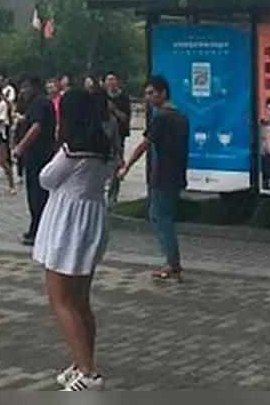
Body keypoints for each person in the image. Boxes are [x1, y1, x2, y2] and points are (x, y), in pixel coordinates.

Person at [32, 88, 113, 392]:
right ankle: (83, 362)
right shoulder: (104, 149)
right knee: (80, 300)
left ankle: (88, 373)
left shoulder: (71, 151)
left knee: (61, 300)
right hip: (91, 221)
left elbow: (46, 178)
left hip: (68, 224)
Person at [116, 75, 190, 282]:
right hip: (177, 174)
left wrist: (127, 167)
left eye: (151, 93)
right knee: (160, 215)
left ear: (162, 92)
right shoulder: (181, 116)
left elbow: (144, 144)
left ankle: (172, 264)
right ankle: (172, 261)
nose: (147, 98)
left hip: (164, 175)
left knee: (162, 219)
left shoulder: (163, 117)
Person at [12, 76, 58, 246]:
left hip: (39, 155)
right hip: (37, 155)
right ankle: (36, 227)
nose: (22, 91)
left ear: (34, 87)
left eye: (25, 87)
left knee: (37, 194)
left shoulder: (39, 103)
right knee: (35, 193)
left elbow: (36, 127)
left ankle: (39, 228)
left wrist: (20, 147)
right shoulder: (37, 104)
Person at [103, 72, 132, 207]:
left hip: (119, 135)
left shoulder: (123, 98)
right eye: (109, 80)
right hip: (103, 136)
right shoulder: (102, 97)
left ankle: (113, 196)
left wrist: (113, 109)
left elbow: (125, 118)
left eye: (114, 79)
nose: (111, 82)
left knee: (116, 164)